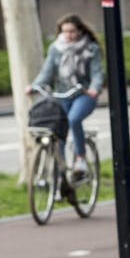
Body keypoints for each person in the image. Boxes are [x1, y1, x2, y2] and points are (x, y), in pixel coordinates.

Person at [28, 14, 105, 179]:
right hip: (62, 94)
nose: (68, 35)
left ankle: (81, 159)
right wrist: (35, 86)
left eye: (72, 31)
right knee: (57, 133)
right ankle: (59, 177)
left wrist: (94, 88)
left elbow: (97, 73)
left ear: (80, 31)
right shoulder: (56, 49)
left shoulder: (91, 49)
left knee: (74, 119)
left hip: (83, 94)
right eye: (64, 32)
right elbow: (46, 73)